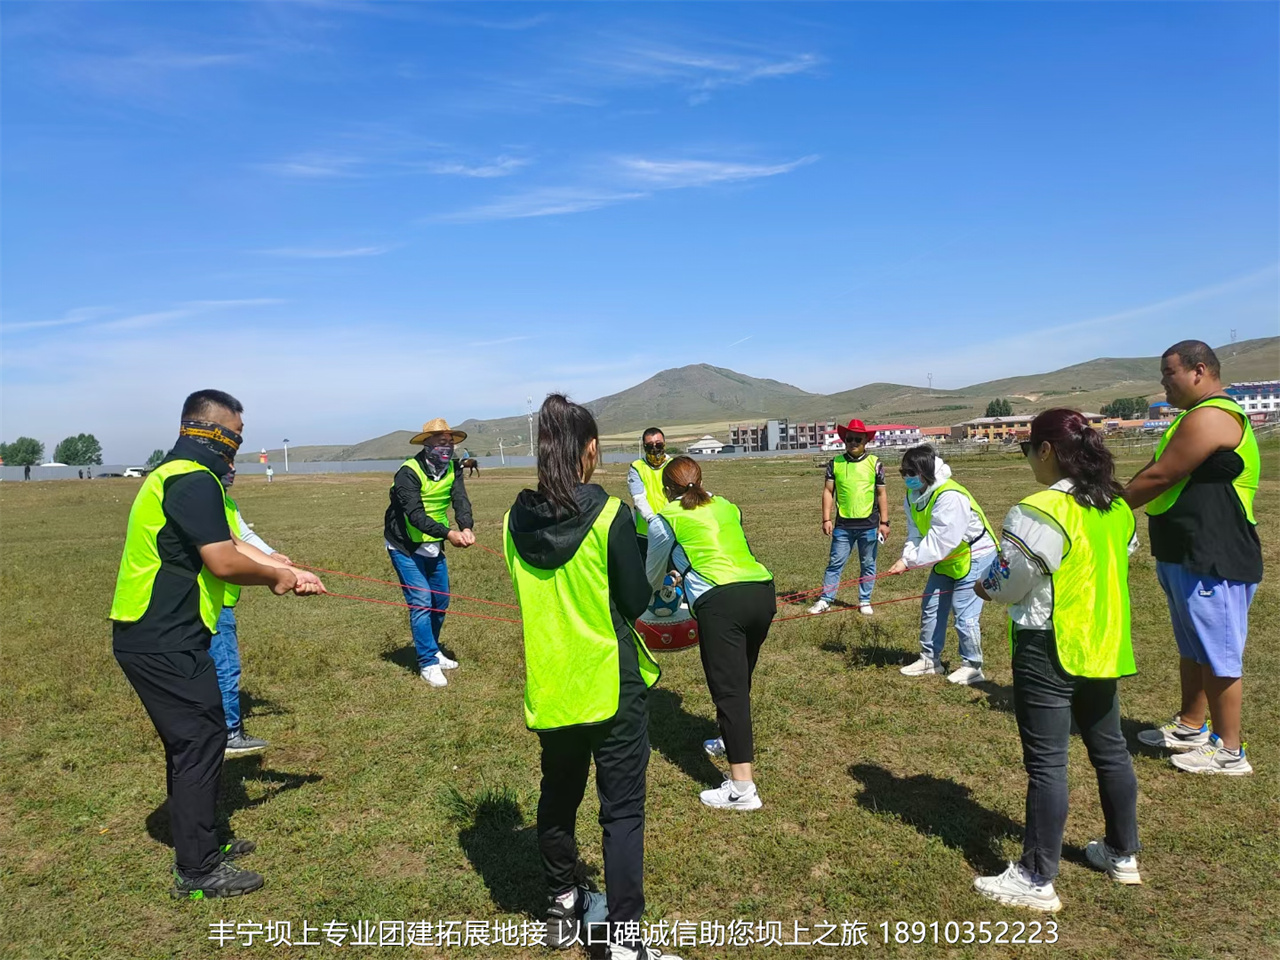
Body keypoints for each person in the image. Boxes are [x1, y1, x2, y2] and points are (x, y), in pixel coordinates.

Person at [109, 389, 324, 900]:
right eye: (235, 437)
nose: (236, 449)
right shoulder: (189, 477)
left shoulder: (193, 478)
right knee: (199, 744)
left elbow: (235, 542)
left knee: (198, 742)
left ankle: (203, 842)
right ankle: (198, 870)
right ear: (210, 431)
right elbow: (224, 562)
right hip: (161, 636)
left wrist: (288, 569)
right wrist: (277, 580)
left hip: (173, 633)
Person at [503, 394, 677, 960]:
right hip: (611, 683)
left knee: (558, 794)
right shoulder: (609, 516)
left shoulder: (512, 521)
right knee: (621, 809)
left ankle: (562, 901)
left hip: (552, 684)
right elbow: (632, 600)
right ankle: (625, 938)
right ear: (591, 450)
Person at [971, 409, 1141, 913]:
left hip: (1049, 645)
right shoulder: (1116, 504)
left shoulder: (1038, 510)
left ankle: (1035, 875)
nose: (1027, 462)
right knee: (1110, 749)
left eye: (1027, 450)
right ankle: (1121, 851)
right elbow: (1121, 555)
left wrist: (985, 586)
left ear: (1045, 450)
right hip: (1104, 643)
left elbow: (1012, 580)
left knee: (1047, 764)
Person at [1124, 340, 1261, 775]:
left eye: (1169, 373)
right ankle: (1190, 725)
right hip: (1182, 550)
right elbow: (1156, 471)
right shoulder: (1190, 418)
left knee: (1218, 652)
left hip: (1214, 553)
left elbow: (1163, 474)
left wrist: (1106, 508)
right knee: (1194, 647)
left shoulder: (1214, 417)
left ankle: (1229, 751)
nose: (1164, 381)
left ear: (1199, 371)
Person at [646, 456, 776, 812]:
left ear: (665, 489)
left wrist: (662, 584)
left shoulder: (665, 519)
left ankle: (742, 790)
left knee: (729, 692)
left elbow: (652, 574)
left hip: (722, 603)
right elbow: (718, 547)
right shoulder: (726, 505)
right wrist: (682, 571)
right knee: (740, 680)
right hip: (761, 592)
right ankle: (727, 738)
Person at [885, 444, 997, 685]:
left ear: (926, 472)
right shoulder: (912, 496)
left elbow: (941, 540)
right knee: (932, 605)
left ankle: (972, 665)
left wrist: (909, 562)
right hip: (948, 557)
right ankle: (929, 660)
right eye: (904, 472)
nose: (907, 478)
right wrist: (907, 556)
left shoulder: (949, 496)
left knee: (964, 612)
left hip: (974, 553)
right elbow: (915, 532)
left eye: (911, 473)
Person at [384, 418, 475, 687]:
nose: (447, 448)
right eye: (440, 442)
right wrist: (450, 534)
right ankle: (427, 662)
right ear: (427, 444)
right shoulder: (407, 473)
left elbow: (460, 499)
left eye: (450, 443)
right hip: (405, 544)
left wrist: (466, 526)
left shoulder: (452, 468)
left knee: (441, 599)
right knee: (422, 600)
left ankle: (433, 648)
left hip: (434, 543)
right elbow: (414, 515)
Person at [213, 467, 292, 757]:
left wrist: (271, 555)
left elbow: (243, 535)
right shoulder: (207, 501)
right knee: (226, 667)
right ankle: (230, 732)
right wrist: (276, 573)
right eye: (226, 464)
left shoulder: (225, 501)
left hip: (221, 597)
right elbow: (232, 549)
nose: (232, 469)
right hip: (213, 598)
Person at [808, 418, 890, 616]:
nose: (853, 443)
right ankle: (826, 599)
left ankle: (864, 600)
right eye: (849, 439)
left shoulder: (875, 463)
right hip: (843, 525)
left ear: (865, 442)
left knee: (868, 564)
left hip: (869, 525)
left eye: (857, 439)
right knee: (835, 563)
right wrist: (826, 519)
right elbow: (828, 492)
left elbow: (881, 494)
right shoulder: (835, 463)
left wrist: (884, 523)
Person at [627, 427, 670, 560]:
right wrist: (652, 520)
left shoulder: (674, 465)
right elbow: (638, 497)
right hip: (646, 534)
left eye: (658, 444)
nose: (655, 448)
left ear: (664, 444)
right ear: (644, 447)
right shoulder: (637, 467)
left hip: (673, 530)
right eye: (650, 445)